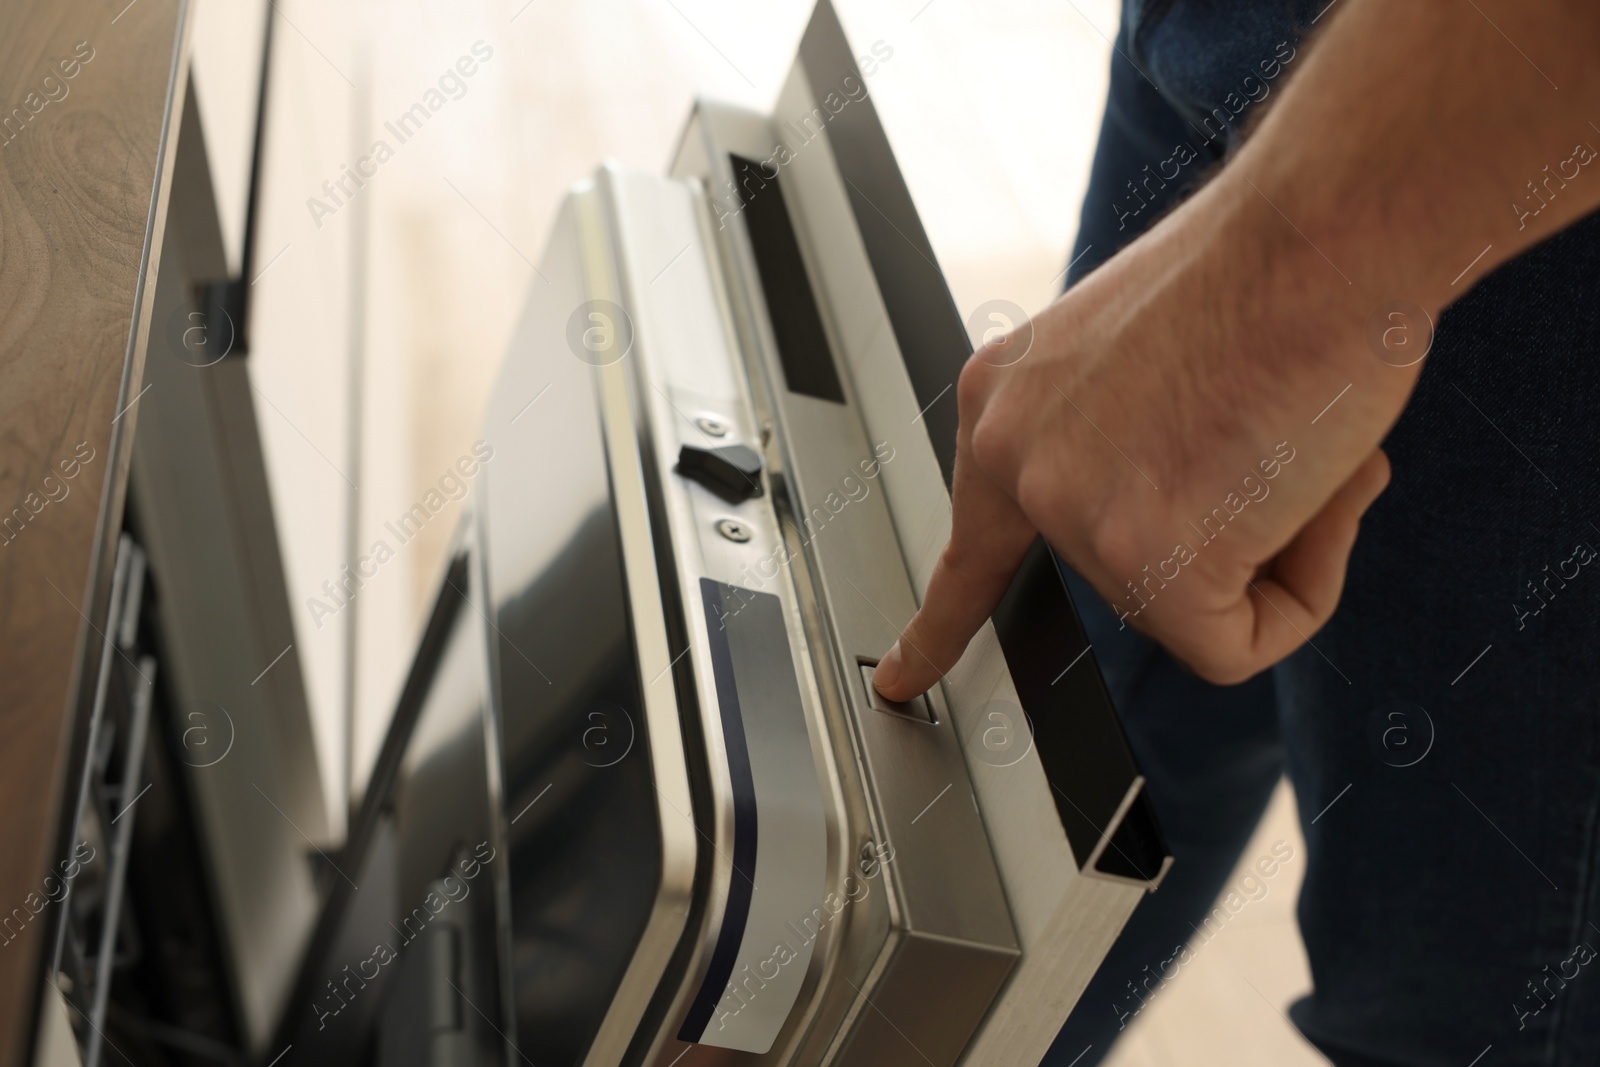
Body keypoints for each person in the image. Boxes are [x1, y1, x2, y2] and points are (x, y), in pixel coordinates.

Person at [871, 1, 1600, 1063]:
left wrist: (1296, 258)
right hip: (1231, 48)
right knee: (1054, 769)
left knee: (1467, 1011)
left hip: (1518, 167)